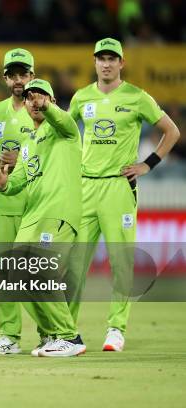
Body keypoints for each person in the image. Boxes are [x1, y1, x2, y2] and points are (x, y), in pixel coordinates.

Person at [66, 38, 180, 352]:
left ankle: (116, 329)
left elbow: (172, 131)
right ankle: (65, 332)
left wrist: (148, 164)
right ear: (94, 62)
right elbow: (61, 132)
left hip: (118, 187)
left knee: (120, 261)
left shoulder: (136, 97)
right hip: (85, 186)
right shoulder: (81, 98)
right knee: (75, 264)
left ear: (121, 63)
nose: (106, 63)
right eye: (101, 58)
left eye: (112, 58)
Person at [0, 79, 86, 357]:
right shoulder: (28, 142)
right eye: (30, 98)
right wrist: (3, 183)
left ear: (51, 102)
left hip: (58, 213)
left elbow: (64, 120)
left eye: (41, 97)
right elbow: (18, 180)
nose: (35, 102)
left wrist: (49, 107)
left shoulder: (65, 132)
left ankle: (70, 337)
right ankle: (53, 334)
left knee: (41, 270)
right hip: (34, 216)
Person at [0, 48, 37, 355]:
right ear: (5, 78)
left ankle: (51, 333)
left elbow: (54, 151)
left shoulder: (42, 111)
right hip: (1, 204)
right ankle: (9, 337)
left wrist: (22, 156)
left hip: (34, 204)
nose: (18, 80)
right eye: (12, 74)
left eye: (23, 74)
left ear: (32, 77)